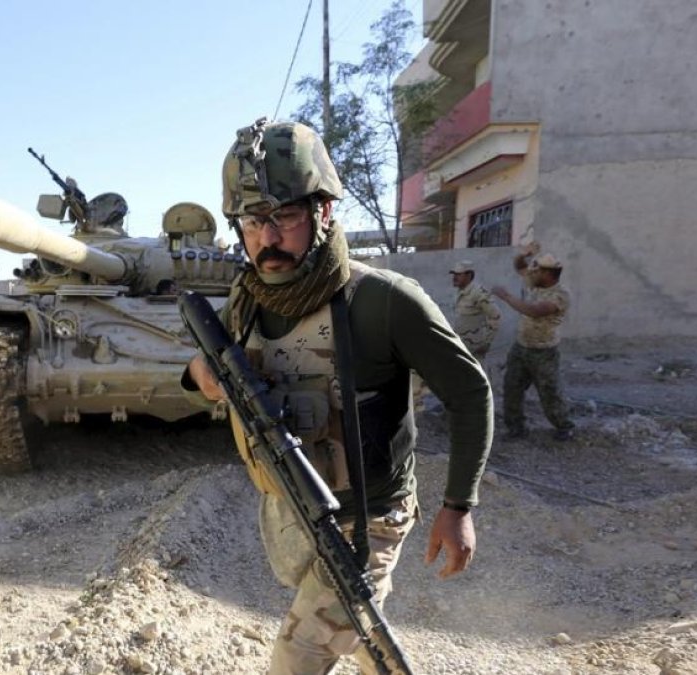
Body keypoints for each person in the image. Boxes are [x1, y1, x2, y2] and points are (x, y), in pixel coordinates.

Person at [182, 118, 492, 674]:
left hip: (369, 518)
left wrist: (458, 507)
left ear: (323, 211)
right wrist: (201, 371)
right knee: (358, 634)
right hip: (291, 508)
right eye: (251, 221)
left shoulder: (384, 301)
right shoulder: (247, 299)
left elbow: (471, 393)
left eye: (285, 217)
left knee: (299, 655)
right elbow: (203, 366)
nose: (266, 239)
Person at [491, 243, 575, 441]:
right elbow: (519, 265)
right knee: (512, 387)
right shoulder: (536, 282)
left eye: (537, 271)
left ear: (548, 274)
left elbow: (534, 311)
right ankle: (516, 428)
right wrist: (524, 254)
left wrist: (506, 296)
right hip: (521, 346)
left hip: (543, 351)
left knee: (549, 391)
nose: (531, 273)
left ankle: (564, 425)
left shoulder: (560, 295)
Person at [449, 260, 501, 360]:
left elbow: (495, 316)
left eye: (459, 274)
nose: (454, 277)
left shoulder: (479, 293)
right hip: (460, 344)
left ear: (469, 275)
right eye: (454, 274)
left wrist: (487, 342)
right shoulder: (460, 292)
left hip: (473, 346)